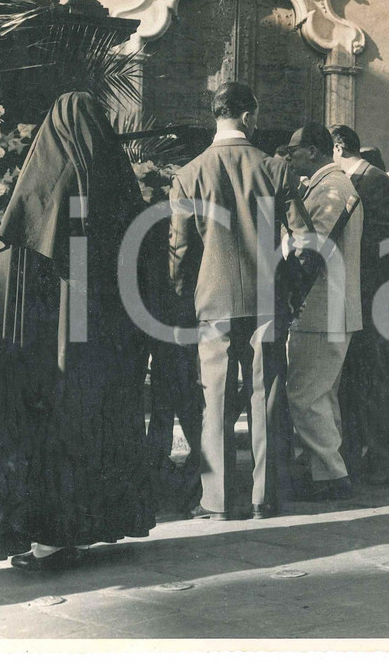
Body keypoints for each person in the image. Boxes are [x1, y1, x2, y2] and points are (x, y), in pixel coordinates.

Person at [0, 92, 154, 570]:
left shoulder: (41, 186)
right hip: (100, 341)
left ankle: (47, 537)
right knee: (90, 419)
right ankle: (79, 528)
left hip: (46, 349)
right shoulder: (115, 185)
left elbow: (16, 274)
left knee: (48, 425)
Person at [168, 82, 313, 521]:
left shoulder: (189, 173)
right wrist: (293, 287)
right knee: (266, 396)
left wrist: (179, 296)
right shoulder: (276, 168)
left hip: (212, 301)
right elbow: (305, 241)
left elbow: (179, 249)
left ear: (216, 116)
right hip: (268, 298)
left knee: (214, 398)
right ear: (249, 117)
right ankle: (263, 497)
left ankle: (217, 500)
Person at [286, 123, 364, 500]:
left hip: (322, 309)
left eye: (293, 150)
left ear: (313, 151)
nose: (288, 156)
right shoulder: (328, 184)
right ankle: (325, 471)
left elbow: (313, 248)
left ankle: (331, 476)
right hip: (328, 309)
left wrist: (282, 240)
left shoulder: (333, 187)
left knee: (304, 395)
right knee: (320, 395)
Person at [330, 124, 389, 486]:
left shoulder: (374, 181)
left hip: (375, 294)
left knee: (378, 379)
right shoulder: (359, 179)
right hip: (359, 293)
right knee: (358, 378)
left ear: (339, 147)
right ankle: (359, 453)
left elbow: (385, 238)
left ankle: (385, 458)